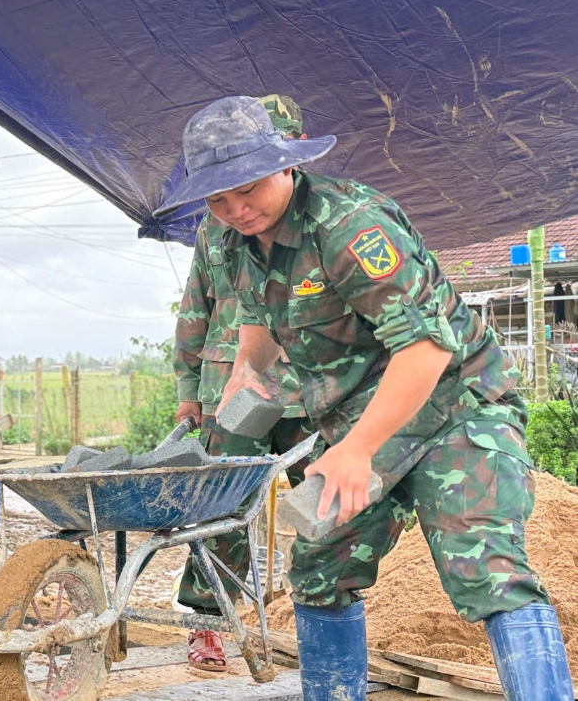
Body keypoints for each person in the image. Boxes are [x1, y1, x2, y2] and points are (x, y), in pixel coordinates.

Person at [157, 95, 572, 700]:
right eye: (218, 197)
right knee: (321, 570)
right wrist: (248, 372)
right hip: (358, 421)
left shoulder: (348, 225)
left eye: (247, 188)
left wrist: (356, 450)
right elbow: (262, 321)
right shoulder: (227, 242)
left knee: (485, 568)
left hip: (454, 408)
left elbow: (427, 348)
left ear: (284, 165)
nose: (236, 208)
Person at [171, 94, 312, 673]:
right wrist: (187, 389)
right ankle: (208, 622)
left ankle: (317, 614)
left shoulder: (320, 220)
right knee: (220, 506)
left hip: (305, 386)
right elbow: (194, 307)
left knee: (321, 502)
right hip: (227, 387)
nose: (238, 199)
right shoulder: (218, 228)